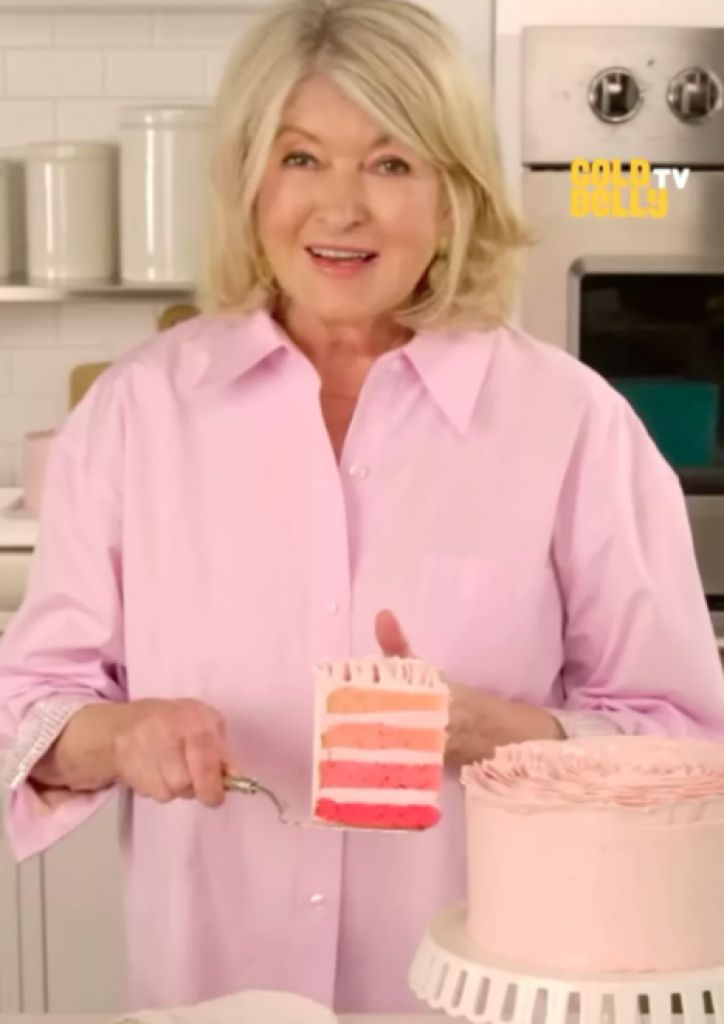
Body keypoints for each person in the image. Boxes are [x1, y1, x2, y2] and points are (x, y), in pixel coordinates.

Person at [2, 0, 724, 1014]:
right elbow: (29, 704)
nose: (340, 209)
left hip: (473, 995)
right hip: (219, 988)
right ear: (249, 180)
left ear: (454, 193)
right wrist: (118, 735)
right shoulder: (137, 413)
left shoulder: (571, 424)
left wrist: (497, 732)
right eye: (301, 158)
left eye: (390, 163)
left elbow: (686, 741)